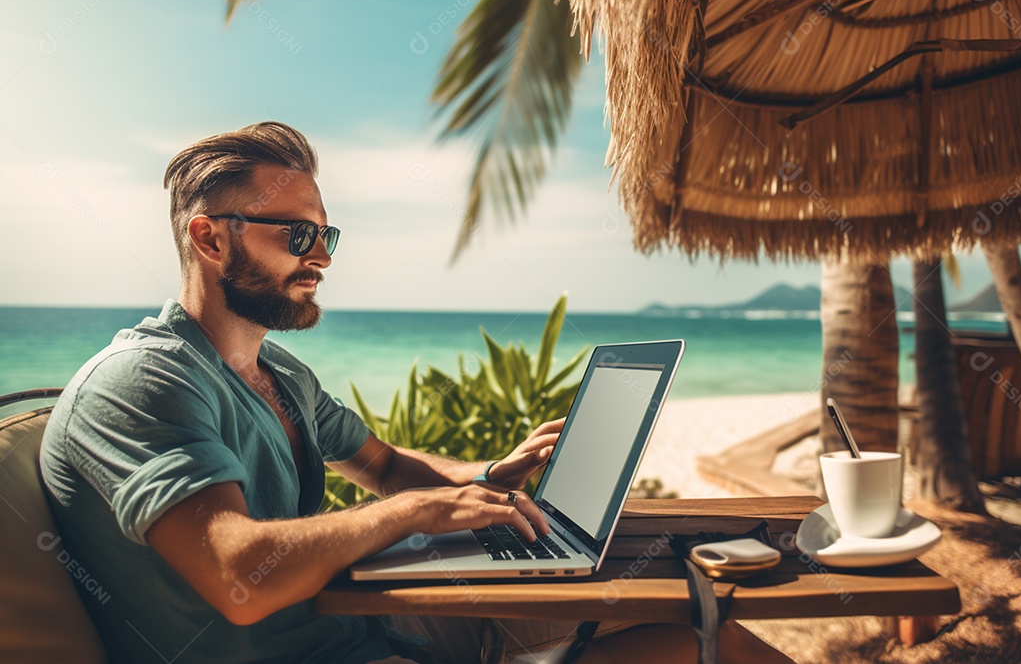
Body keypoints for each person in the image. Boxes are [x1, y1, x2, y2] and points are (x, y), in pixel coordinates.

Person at [40, 122, 791, 663]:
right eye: (297, 237)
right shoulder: (142, 381)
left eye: (326, 238)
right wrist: (418, 513)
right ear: (210, 239)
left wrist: (487, 479)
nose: (321, 260)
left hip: (366, 630)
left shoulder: (280, 375)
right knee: (698, 642)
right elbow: (240, 577)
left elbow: (387, 465)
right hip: (322, 650)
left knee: (704, 625)